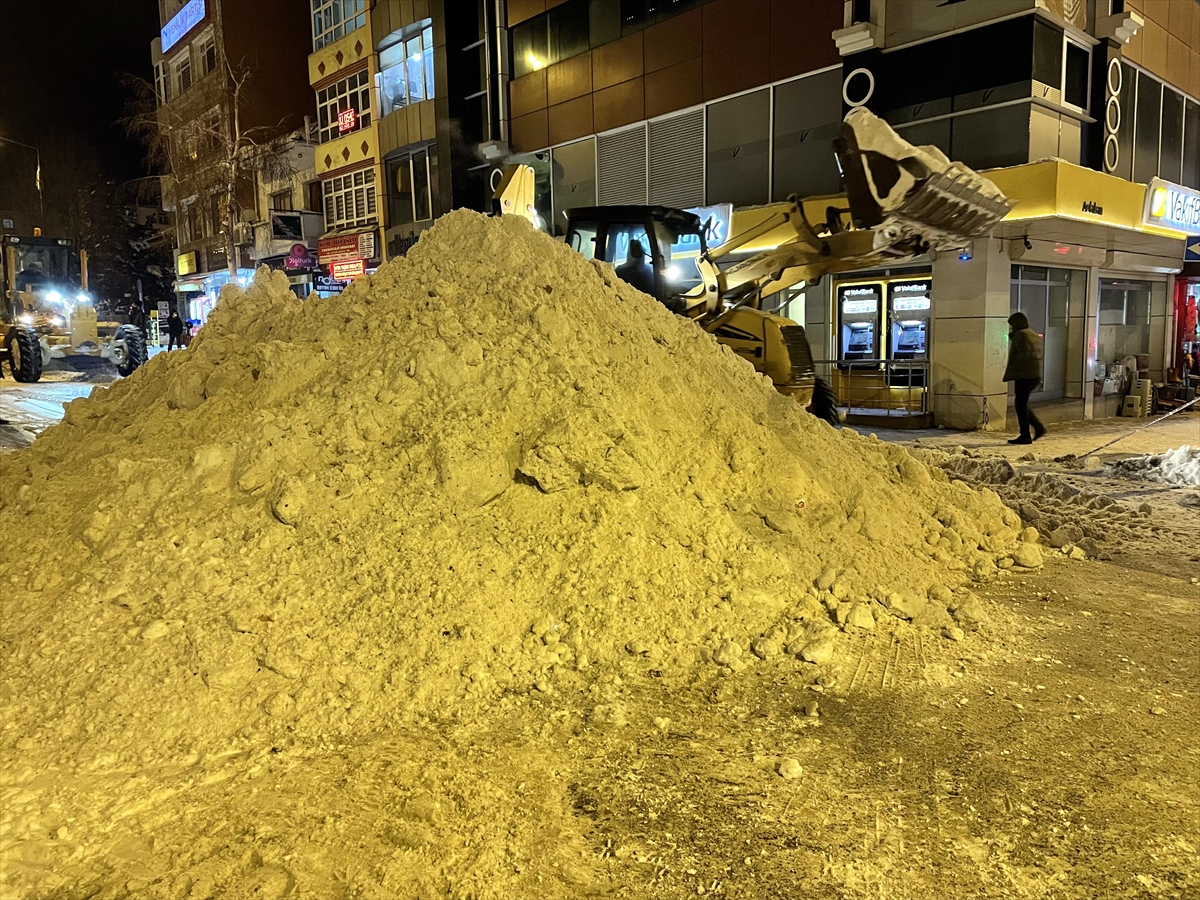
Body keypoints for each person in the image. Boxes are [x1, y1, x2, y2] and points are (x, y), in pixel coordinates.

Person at [1003, 311, 1045, 445]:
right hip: (1033, 375)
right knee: (1022, 404)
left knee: (1020, 404)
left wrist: (1014, 372)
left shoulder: (1021, 335)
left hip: (1024, 375)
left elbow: (1022, 355)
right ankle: (1037, 428)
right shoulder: (1030, 333)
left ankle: (1026, 434)